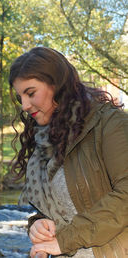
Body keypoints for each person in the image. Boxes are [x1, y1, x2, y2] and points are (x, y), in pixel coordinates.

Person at [8, 47, 128, 257]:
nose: (25, 106)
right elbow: (61, 208)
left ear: (57, 85)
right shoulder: (46, 142)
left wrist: (64, 240)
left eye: (31, 93)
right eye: (21, 98)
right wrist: (38, 225)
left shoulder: (110, 125)